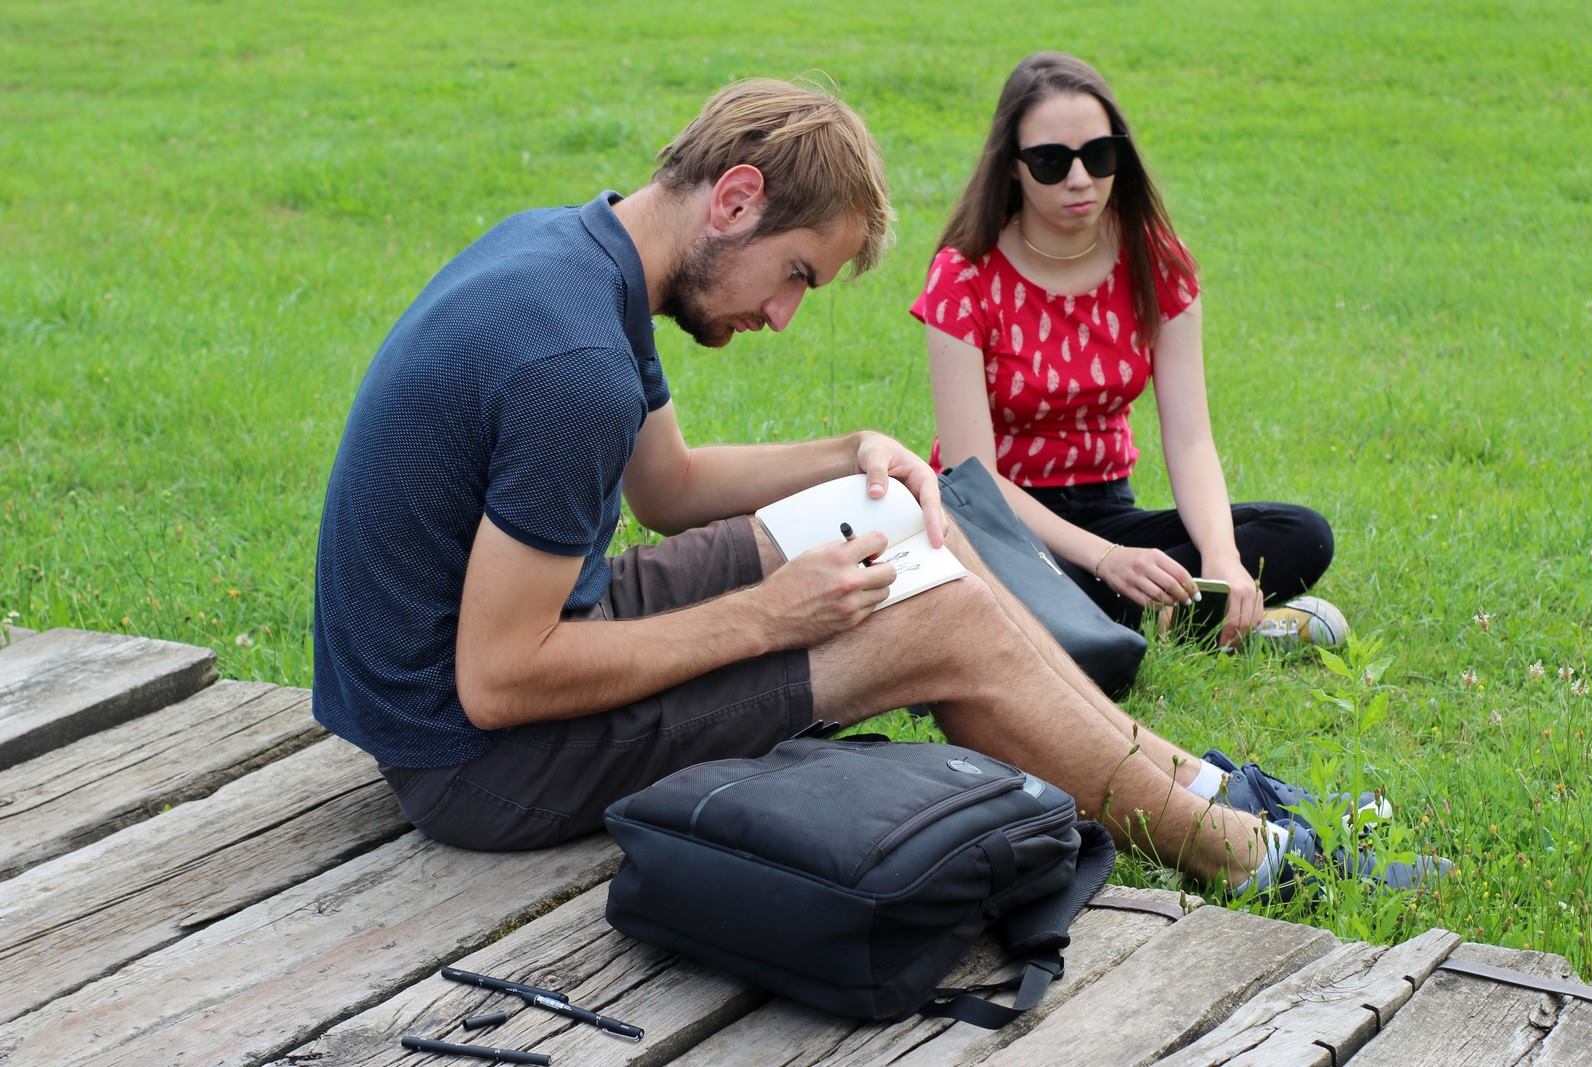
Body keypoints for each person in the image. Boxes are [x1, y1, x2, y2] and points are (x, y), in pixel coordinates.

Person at [312, 77, 1441, 897]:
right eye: (795, 273)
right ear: (735, 199)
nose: (780, 314)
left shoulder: (582, 254)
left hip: (515, 660)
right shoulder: (575, 367)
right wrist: (770, 615)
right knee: (932, 621)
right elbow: (500, 677)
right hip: (475, 762)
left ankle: (1207, 783)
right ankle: (1247, 854)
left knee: (904, 517)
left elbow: (669, 487)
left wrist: (856, 448)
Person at [915, 52, 1344, 650]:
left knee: (1302, 533)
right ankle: (1187, 622)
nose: (1079, 179)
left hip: (1108, 506)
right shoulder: (963, 276)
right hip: (999, 522)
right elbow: (972, 476)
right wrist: (1107, 559)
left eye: (1099, 155)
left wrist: (1222, 556)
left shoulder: (1155, 259)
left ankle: (1137, 619)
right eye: (1050, 162)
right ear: (1011, 166)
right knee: (1010, 583)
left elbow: (1190, 439)